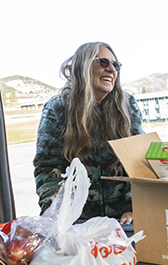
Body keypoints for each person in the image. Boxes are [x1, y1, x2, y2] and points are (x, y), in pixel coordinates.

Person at [33, 42, 144, 225]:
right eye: (103, 62)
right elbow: (47, 166)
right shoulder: (58, 108)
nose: (111, 69)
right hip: (77, 220)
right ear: (82, 65)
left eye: (115, 65)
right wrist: (56, 212)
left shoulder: (127, 105)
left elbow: (138, 162)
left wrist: (132, 206)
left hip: (122, 219)